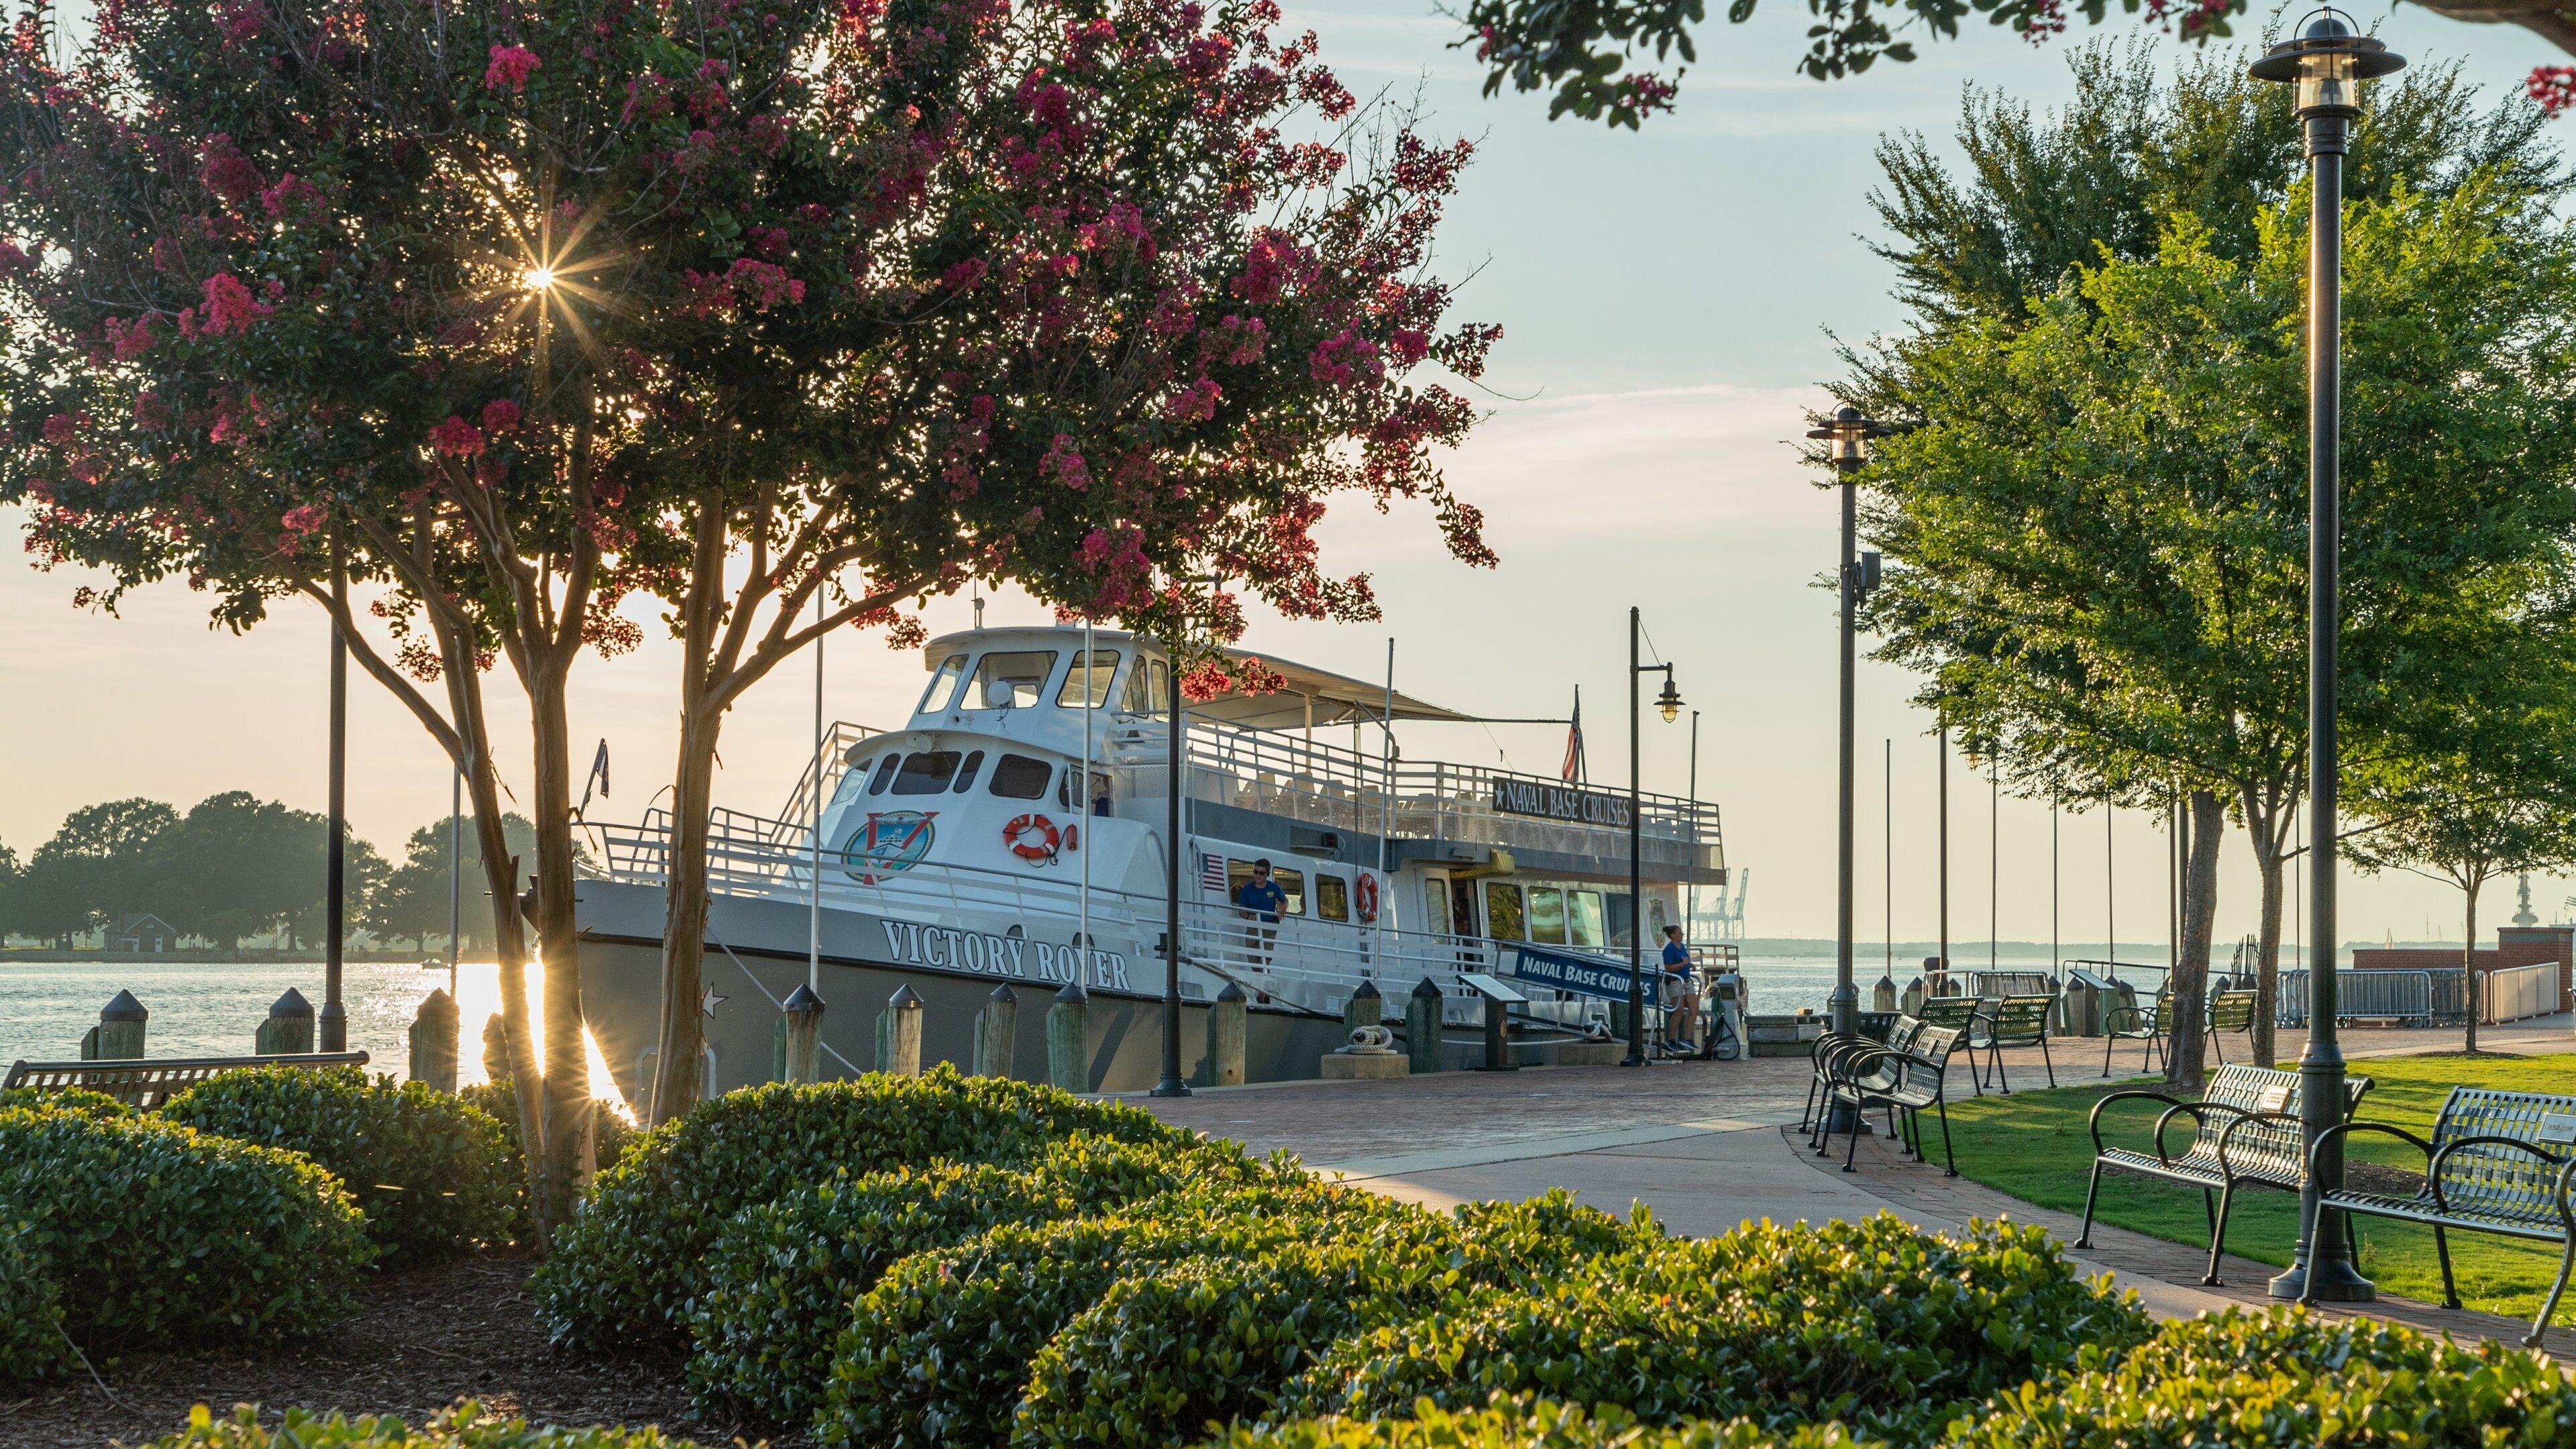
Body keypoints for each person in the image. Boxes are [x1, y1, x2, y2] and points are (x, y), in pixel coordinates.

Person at [1237, 858, 1287, 965]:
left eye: (1261, 873)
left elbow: (1285, 901)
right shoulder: (1247, 889)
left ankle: (1264, 973)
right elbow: (1241, 911)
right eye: (1256, 872)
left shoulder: (1274, 888)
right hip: (1253, 926)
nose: (1258, 875)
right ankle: (1258, 974)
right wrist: (1249, 917)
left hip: (1269, 926)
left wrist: (1283, 908)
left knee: (1265, 959)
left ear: (1267, 874)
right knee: (1252, 959)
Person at [1660, 925, 1700, 1051]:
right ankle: (1671, 1039)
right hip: (1675, 982)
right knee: (1679, 1011)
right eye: (1680, 933)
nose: (1682, 934)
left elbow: (1684, 961)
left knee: (1694, 1010)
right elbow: (1669, 968)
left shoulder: (1682, 947)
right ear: (1673, 935)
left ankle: (1687, 1038)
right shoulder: (1669, 950)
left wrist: (1689, 965)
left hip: (1686, 981)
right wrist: (1683, 964)